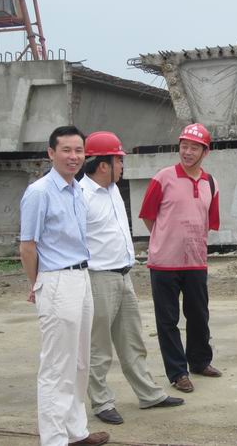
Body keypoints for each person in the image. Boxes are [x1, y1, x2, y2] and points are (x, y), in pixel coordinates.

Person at [80, 131, 184, 425]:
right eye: (119, 160)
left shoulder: (112, 189)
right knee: (99, 346)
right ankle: (102, 402)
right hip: (98, 278)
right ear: (103, 165)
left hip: (123, 276)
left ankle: (149, 394)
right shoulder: (81, 196)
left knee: (132, 340)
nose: (122, 166)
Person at [19, 126, 109, 446]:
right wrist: (37, 283)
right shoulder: (40, 192)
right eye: (66, 150)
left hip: (81, 276)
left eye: (79, 150)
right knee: (57, 365)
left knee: (80, 361)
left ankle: (75, 431)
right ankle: (54, 439)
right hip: (56, 279)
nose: (74, 157)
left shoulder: (76, 190)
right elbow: (27, 246)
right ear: (51, 153)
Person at [139, 123, 221, 393]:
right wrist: (166, 238)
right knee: (168, 320)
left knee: (199, 315)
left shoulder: (211, 183)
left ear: (205, 152)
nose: (187, 152)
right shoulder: (162, 178)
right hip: (164, 262)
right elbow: (148, 216)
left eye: (194, 148)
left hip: (196, 261)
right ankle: (177, 372)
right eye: (184, 146)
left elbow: (209, 222)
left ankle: (200, 361)